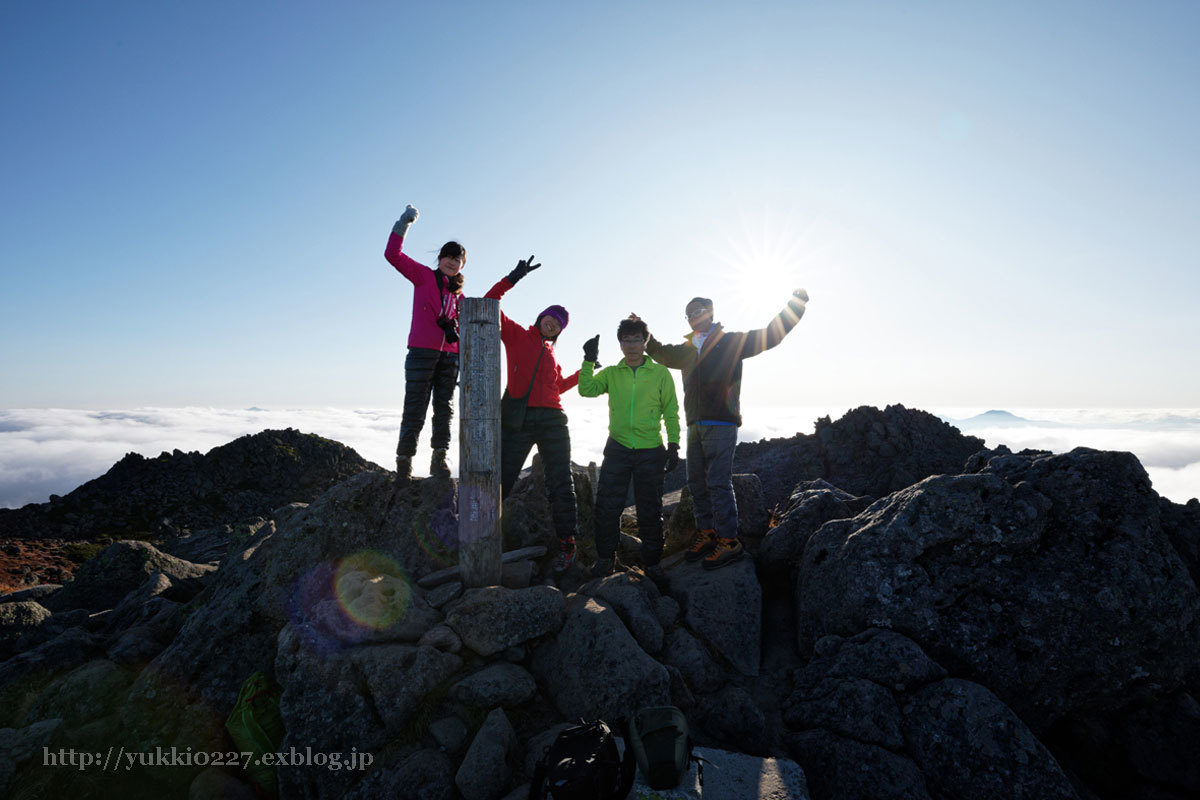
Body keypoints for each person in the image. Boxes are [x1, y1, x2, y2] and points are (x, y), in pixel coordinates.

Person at [632, 289, 809, 570]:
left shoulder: (731, 342)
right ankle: (708, 532)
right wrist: (645, 333)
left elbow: (771, 335)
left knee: (717, 482)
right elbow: (660, 353)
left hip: (722, 423)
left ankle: (730, 541)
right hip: (695, 425)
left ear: (710, 312)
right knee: (696, 483)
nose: (693, 317)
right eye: (688, 314)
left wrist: (795, 306)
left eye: (697, 311)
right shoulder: (687, 350)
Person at [485, 258, 581, 574]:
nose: (553, 324)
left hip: (554, 420)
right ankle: (482, 538)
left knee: (561, 481)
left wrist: (587, 369)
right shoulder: (516, 335)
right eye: (550, 319)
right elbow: (489, 304)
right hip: (520, 419)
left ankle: (568, 543)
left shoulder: (552, 355)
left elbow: (557, 388)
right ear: (540, 319)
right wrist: (513, 278)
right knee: (502, 476)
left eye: (559, 324)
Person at [578, 318, 680, 581]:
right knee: (608, 507)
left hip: (650, 451)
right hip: (618, 448)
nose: (632, 345)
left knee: (650, 509)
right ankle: (605, 560)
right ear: (620, 343)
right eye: (626, 339)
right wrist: (589, 359)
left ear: (645, 342)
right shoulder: (612, 373)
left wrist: (674, 443)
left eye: (637, 339)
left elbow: (670, 410)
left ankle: (653, 563)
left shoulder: (660, 373)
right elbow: (586, 389)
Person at [383, 204, 464, 482]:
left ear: (462, 265)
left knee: (445, 411)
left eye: (458, 260)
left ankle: (439, 460)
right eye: (448, 257)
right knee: (415, 408)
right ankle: (404, 463)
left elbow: (481, 314)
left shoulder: (460, 297)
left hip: (451, 358)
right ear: (440, 258)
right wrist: (404, 223)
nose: (452, 263)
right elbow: (392, 255)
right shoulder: (423, 277)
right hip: (421, 353)